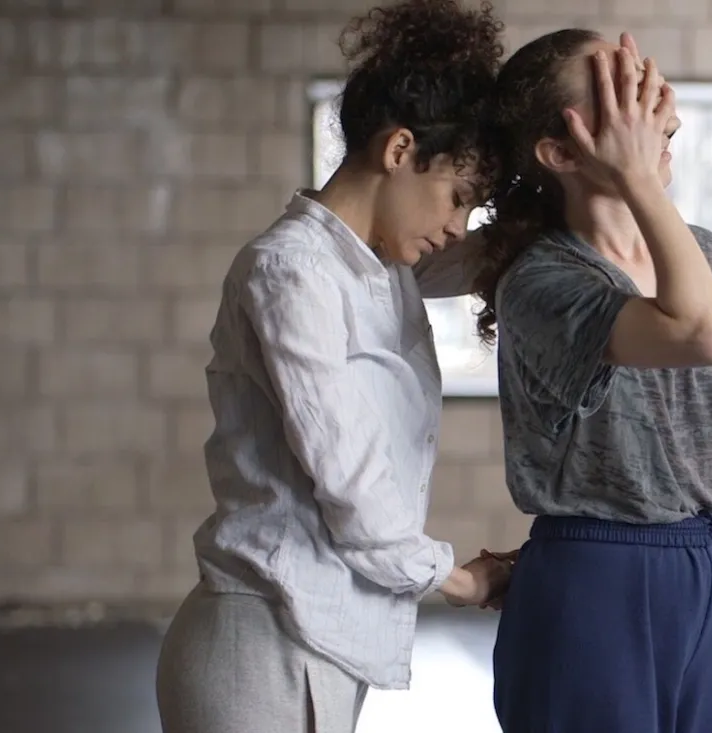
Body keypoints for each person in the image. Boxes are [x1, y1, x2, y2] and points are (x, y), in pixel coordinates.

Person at [154, 2, 511, 732]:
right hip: (257, 645)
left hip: (317, 642)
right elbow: (350, 480)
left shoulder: (382, 267)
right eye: (457, 199)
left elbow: (498, 257)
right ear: (400, 149)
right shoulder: (290, 272)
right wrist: (457, 575)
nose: (456, 225)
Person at [472, 30, 712, 733]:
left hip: (707, 558)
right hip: (597, 572)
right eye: (619, 97)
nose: (655, 110)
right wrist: (637, 177)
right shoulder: (542, 280)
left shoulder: (707, 257)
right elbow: (704, 335)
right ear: (560, 153)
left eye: (645, 83)